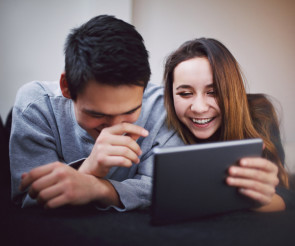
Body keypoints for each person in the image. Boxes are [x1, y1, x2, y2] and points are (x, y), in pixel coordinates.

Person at [9, 15, 183, 211]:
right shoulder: (36, 105)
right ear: (67, 87)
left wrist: (96, 187)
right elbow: (28, 199)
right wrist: (88, 169)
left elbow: (165, 189)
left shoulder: (164, 106)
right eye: (98, 115)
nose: (115, 127)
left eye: (130, 111)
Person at [163, 37, 293, 212]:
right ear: (171, 96)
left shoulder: (260, 113)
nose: (199, 108)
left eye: (214, 92)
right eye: (185, 93)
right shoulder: (162, 124)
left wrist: (262, 198)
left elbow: (283, 192)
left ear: (232, 89)